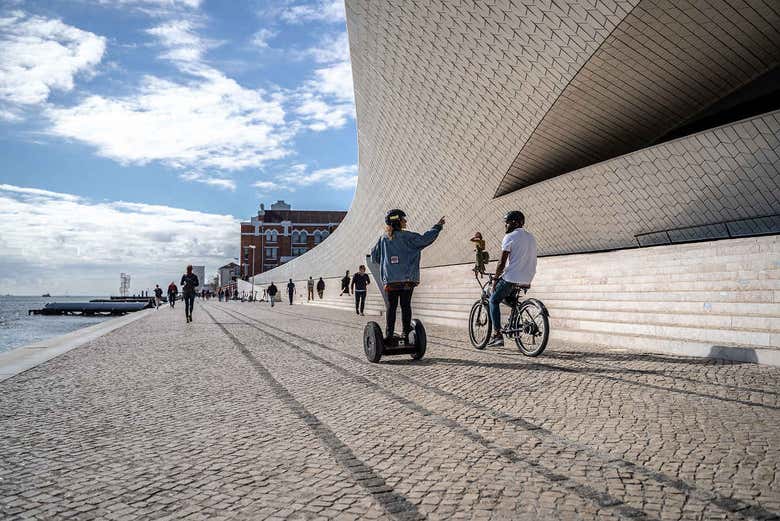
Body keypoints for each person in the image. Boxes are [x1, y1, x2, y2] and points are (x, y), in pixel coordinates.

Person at [371, 209, 444, 343]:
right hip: (407, 280)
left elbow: (374, 257)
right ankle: (406, 334)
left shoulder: (383, 239)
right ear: (398, 221)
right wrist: (437, 227)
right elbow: (425, 239)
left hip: (391, 281)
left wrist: (388, 262)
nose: (406, 221)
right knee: (406, 306)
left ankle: (389, 335)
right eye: (403, 219)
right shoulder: (409, 236)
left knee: (391, 307)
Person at [487, 211, 538, 347]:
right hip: (527, 277)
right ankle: (516, 316)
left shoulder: (509, 237)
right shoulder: (531, 237)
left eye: (507, 222)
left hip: (512, 277)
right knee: (510, 300)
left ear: (515, 222)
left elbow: (501, 263)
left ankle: (497, 335)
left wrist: (496, 279)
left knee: (493, 299)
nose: (505, 225)